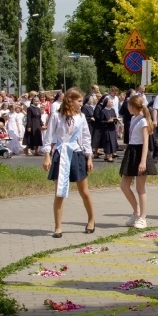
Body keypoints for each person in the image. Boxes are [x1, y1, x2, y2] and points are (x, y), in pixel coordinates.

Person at [41, 87, 96, 238]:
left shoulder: (81, 117)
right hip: (61, 155)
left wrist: (89, 157)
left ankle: (91, 219)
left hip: (77, 154)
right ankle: (58, 227)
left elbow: (86, 138)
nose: (81, 104)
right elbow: (48, 137)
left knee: (84, 191)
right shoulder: (57, 116)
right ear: (70, 101)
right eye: (79, 101)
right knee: (59, 192)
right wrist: (47, 156)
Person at [119, 94, 158, 229]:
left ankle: (143, 218)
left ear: (132, 106)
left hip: (140, 153)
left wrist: (143, 161)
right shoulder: (134, 118)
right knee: (124, 185)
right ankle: (136, 212)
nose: (127, 107)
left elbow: (146, 142)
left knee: (140, 188)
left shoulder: (143, 121)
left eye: (128, 105)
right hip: (131, 152)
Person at [99, 97, 119, 162]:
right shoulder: (103, 111)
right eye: (111, 102)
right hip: (106, 129)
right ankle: (109, 156)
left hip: (112, 128)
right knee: (108, 142)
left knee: (112, 142)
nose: (112, 103)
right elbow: (100, 121)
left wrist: (116, 120)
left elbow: (115, 117)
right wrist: (108, 121)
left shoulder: (112, 110)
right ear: (107, 103)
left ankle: (106, 156)